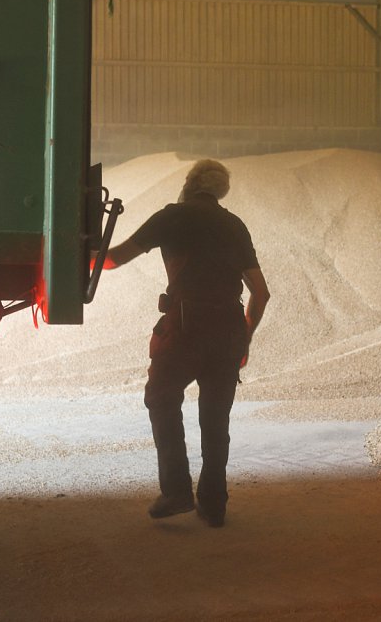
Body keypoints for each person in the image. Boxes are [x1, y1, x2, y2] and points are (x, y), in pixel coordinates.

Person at [102, 159, 270, 527]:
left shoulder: (172, 217)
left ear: (190, 183)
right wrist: (245, 337)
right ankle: (214, 503)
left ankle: (177, 491)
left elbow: (114, 259)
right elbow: (261, 292)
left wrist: (74, 253)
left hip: (184, 328)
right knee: (215, 418)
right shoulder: (234, 225)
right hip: (227, 331)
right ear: (220, 190)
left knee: (161, 398)